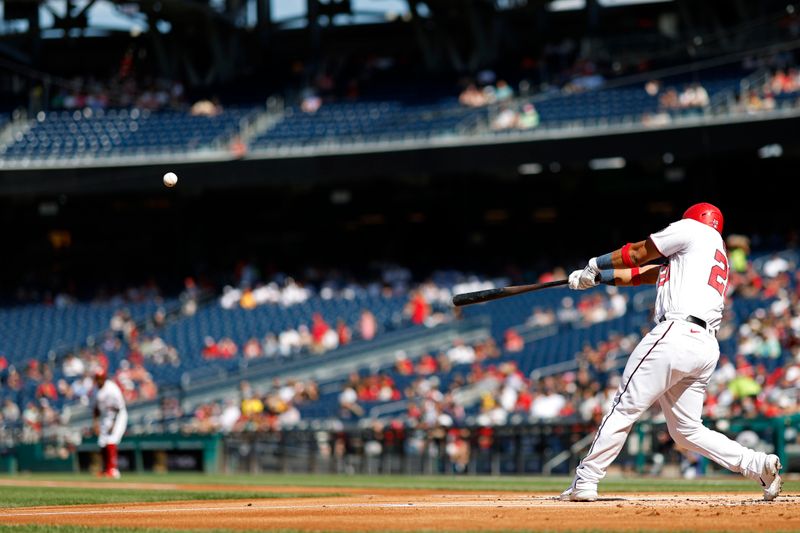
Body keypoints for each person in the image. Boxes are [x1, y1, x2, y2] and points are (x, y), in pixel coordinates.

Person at [559, 202, 782, 502]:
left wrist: (595, 263)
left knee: (624, 406)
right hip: (704, 347)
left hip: (675, 332)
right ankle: (757, 464)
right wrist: (597, 278)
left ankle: (586, 479)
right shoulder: (708, 254)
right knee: (687, 430)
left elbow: (638, 253)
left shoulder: (692, 229)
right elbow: (640, 274)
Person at [92, 367, 128, 479]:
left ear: (104, 378)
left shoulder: (112, 389)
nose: (99, 381)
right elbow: (96, 409)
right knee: (102, 442)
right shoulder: (95, 390)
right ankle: (105, 469)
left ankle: (113, 470)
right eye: (97, 378)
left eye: (100, 378)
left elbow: (119, 408)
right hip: (105, 416)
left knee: (111, 440)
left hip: (118, 416)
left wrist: (113, 423)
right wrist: (96, 423)